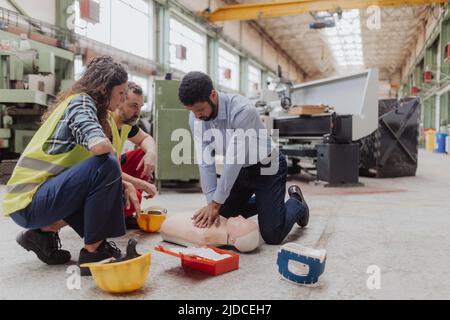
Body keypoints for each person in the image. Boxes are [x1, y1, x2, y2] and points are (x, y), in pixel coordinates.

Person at [2, 56, 141, 276]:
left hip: (31, 201)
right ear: (106, 89)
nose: (123, 98)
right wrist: (117, 174)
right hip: (29, 201)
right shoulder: (81, 102)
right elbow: (99, 147)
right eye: (121, 92)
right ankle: (94, 252)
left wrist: (122, 183)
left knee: (106, 172)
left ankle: (42, 236)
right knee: (106, 164)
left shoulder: (89, 107)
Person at [178, 71, 310, 245]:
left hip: (267, 166)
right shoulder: (195, 118)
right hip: (242, 170)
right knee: (221, 217)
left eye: (200, 110)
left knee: (272, 235)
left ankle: (297, 203)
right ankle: (268, 203)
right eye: (192, 111)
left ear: (213, 95)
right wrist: (212, 202)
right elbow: (205, 160)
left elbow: (234, 159)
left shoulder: (242, 110)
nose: (197, 116)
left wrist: (216, 203)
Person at [109, 82, 157, 229]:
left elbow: (146, 138)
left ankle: (127, 215)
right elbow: (107, 170)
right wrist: (143, 184)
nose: (138, 112)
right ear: (119, 100)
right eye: (133, 106)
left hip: (112, 167)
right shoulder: (104, 124)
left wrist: (151, 153)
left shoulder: (126, 124)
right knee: (132, 190)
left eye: (140, 107)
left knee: (143, 152)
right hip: (100, 174)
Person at [160, 214, 260, 253]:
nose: (240, 216)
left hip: (166, 224)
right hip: (169, 223)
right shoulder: (223, 224)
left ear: (233, 239)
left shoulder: (206, 237)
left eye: (240, 222)